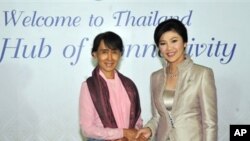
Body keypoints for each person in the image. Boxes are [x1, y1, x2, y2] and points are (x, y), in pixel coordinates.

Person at [136, 19, 217, 141]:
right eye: (163, 43)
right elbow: (158, 116)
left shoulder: (202, 74)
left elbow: (210, 123)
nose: (169, 48)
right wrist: (149, 129)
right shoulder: (155, 77)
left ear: (184, 42)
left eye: (174, 41)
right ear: (158, 47)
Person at [79, 31, 143, 141]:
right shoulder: (89, 86)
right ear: (95, 54)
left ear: (120, 54)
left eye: (114, 52)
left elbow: (138, 121)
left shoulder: (129, 86)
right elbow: (87, 129)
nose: (109, 58)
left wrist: (134, 135)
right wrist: (121, 134)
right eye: (104, 52)